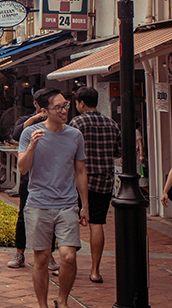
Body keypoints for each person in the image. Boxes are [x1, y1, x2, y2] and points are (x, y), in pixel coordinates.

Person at [18, 88, 88, 308]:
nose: (64, 110)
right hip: (38, 205)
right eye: (58, 107)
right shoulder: (30, 133)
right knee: (42, 258)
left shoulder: (75, 135)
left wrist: (84, 205)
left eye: (66, 105)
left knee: (68, 257)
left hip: (67, 205)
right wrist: (31, 147)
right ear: (44, 110)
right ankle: (43, 305)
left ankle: (63, 301)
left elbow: (80, 171)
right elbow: (22, 169)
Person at [68, 86, 121, 284]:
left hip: (78, 181)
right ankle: (95, 270)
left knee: (71, 223)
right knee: (97, 223)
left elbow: (68, 151)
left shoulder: (76, 123)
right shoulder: (111, 124)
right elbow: (119, 151)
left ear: (81, 103)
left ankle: (69, 266)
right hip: (104, 181)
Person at [7, 89, 59, 272]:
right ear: (36, 104)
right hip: (28, 177)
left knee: (49, 217)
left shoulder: (56, 124)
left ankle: (49, 254)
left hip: (49, 178)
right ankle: (19, 253)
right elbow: (15, 135)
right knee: (23, 215)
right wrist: (33, 120)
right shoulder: (26, 122)